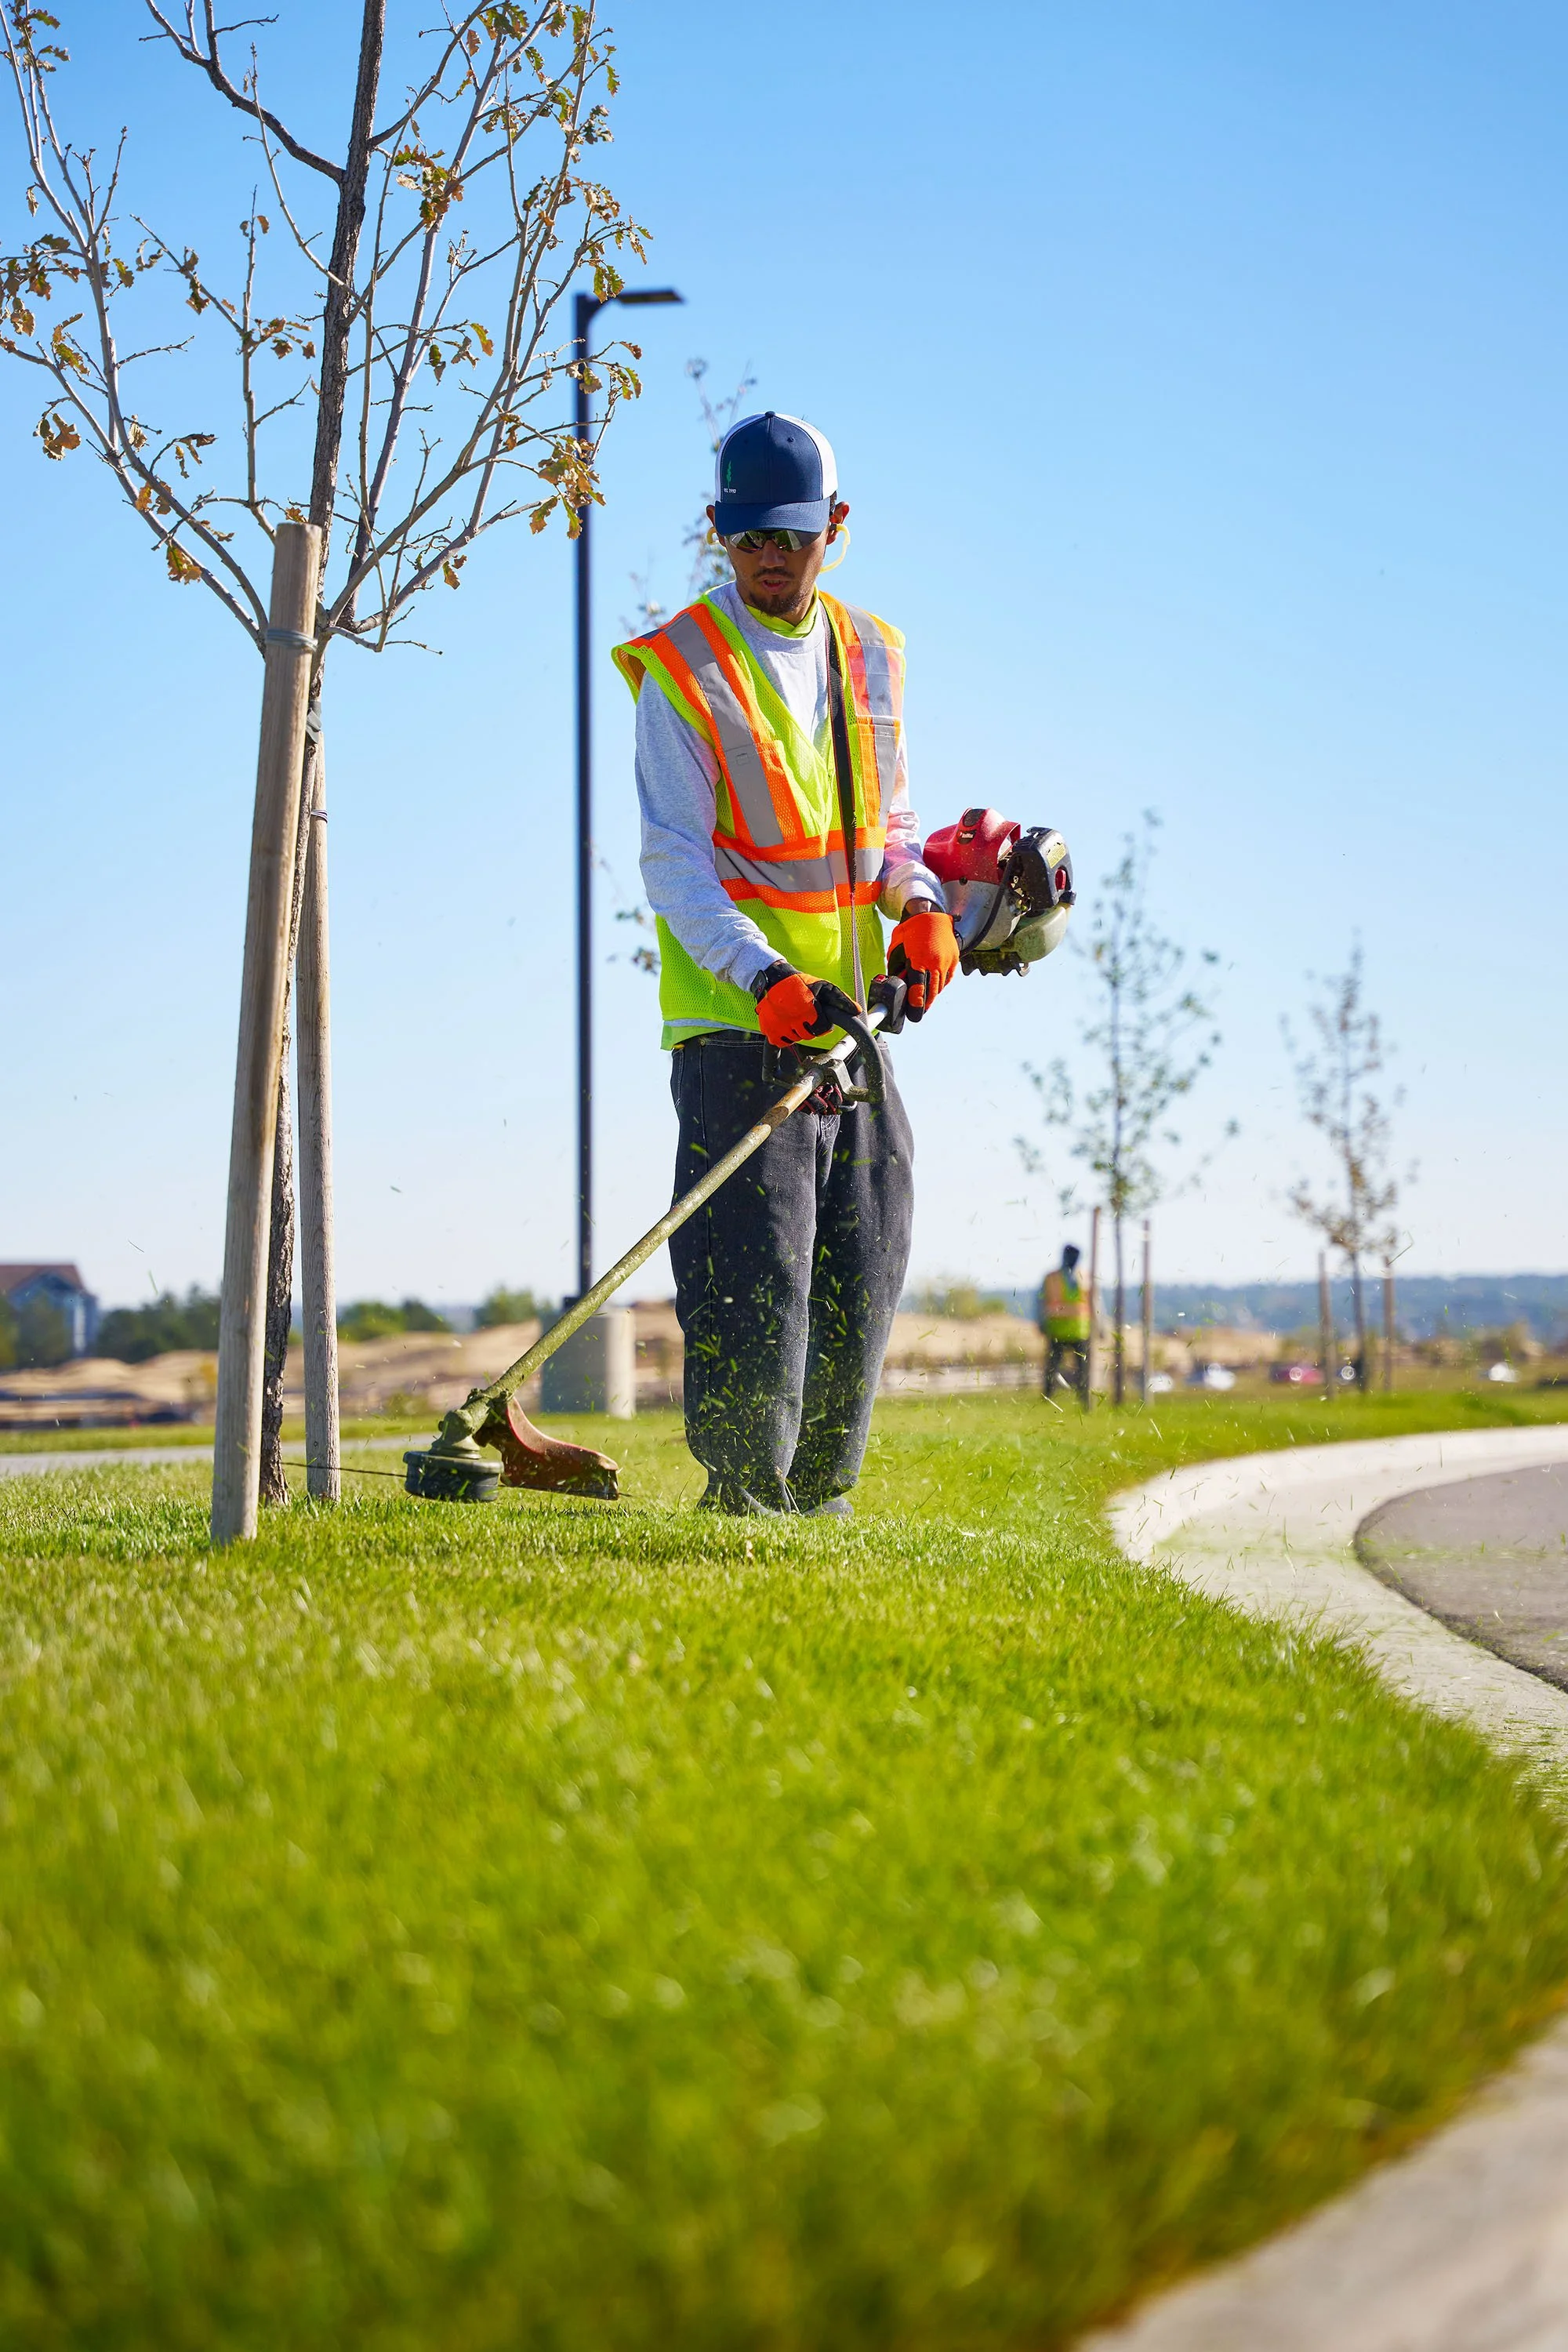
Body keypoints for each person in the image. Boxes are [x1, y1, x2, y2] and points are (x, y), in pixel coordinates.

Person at [613, 411, 958, 1515]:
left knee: (867, 1251)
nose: (770, 556)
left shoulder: (872, 654)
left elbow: (889, 830)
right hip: (737, 1023)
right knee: (754, 1278)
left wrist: (921, 905)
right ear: (718, 529)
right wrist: (764, 979)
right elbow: (674, 864)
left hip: (850, 1026)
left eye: (792, 536)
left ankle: (820, 1504)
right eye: (749, 535)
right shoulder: (683, 669)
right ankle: (744, 1505)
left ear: (834, 527)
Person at [1040, 1243, 1091, 1399]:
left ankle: (1084, 1398)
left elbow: (1094, 1302)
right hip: (1057, 1330)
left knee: (1083, 1367)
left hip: (1080, 1330)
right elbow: (1041, 1301)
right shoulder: (1052, 1278)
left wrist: (1100, 1326)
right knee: (1052, 1366)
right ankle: (1048, 1397)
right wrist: (1041, 1322)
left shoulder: (1085, 1277)